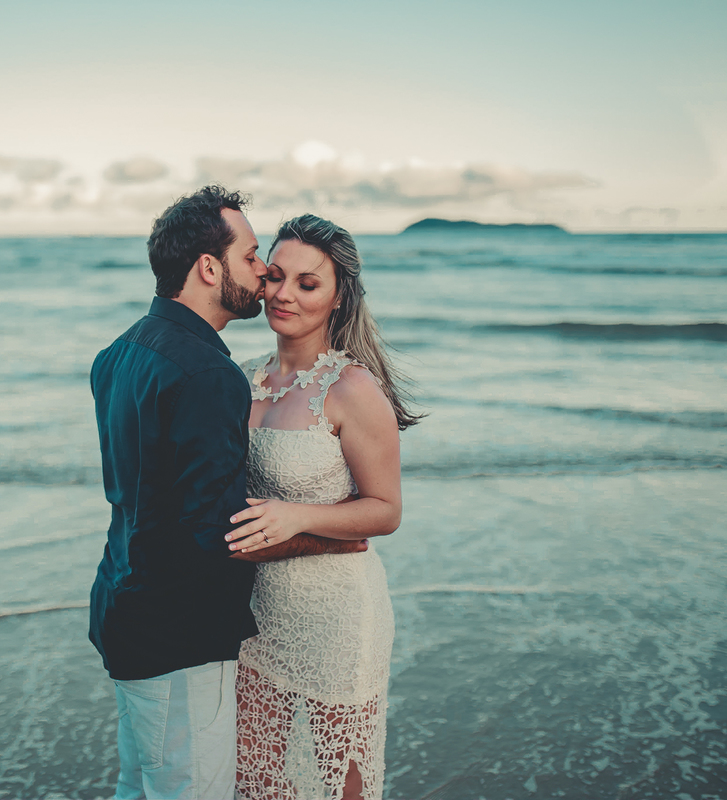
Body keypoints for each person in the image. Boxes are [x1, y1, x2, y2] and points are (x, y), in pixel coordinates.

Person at [89, 187, 368, 800]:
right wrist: (328, 541)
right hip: (178, 631)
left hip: (120, 608)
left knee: (137, 785)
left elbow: (143, 494)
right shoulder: (210, 373)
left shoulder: (118, 353)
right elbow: (214, 535)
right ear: (209, 268)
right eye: (250, 257)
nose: (264, 274)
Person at [223, 214, 423, 800]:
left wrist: (300, 515)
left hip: (339, 616)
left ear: (339, 298)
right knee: (258, 781)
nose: (284, 294)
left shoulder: (352, 388)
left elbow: (385, 510)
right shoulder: (242, 380)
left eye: (307, 284)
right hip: (256, 615)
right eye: (276, 276)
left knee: (341, 782)